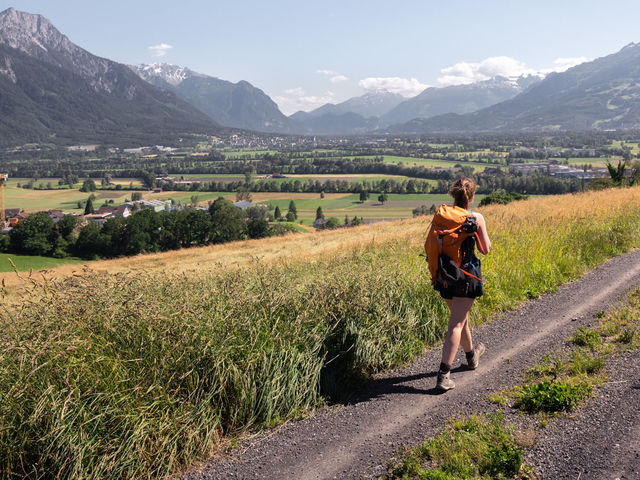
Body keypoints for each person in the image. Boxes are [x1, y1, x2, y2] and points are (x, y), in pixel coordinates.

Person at [432, 177, 491, 392]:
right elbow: (485, 249)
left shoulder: (442, 215)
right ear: (472, 196)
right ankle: (444, 375)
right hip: (465, 276)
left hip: (444, 274)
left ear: (453, 195)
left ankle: (471, 357)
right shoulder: (475, 217)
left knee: (460, 318)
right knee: (456, 324)